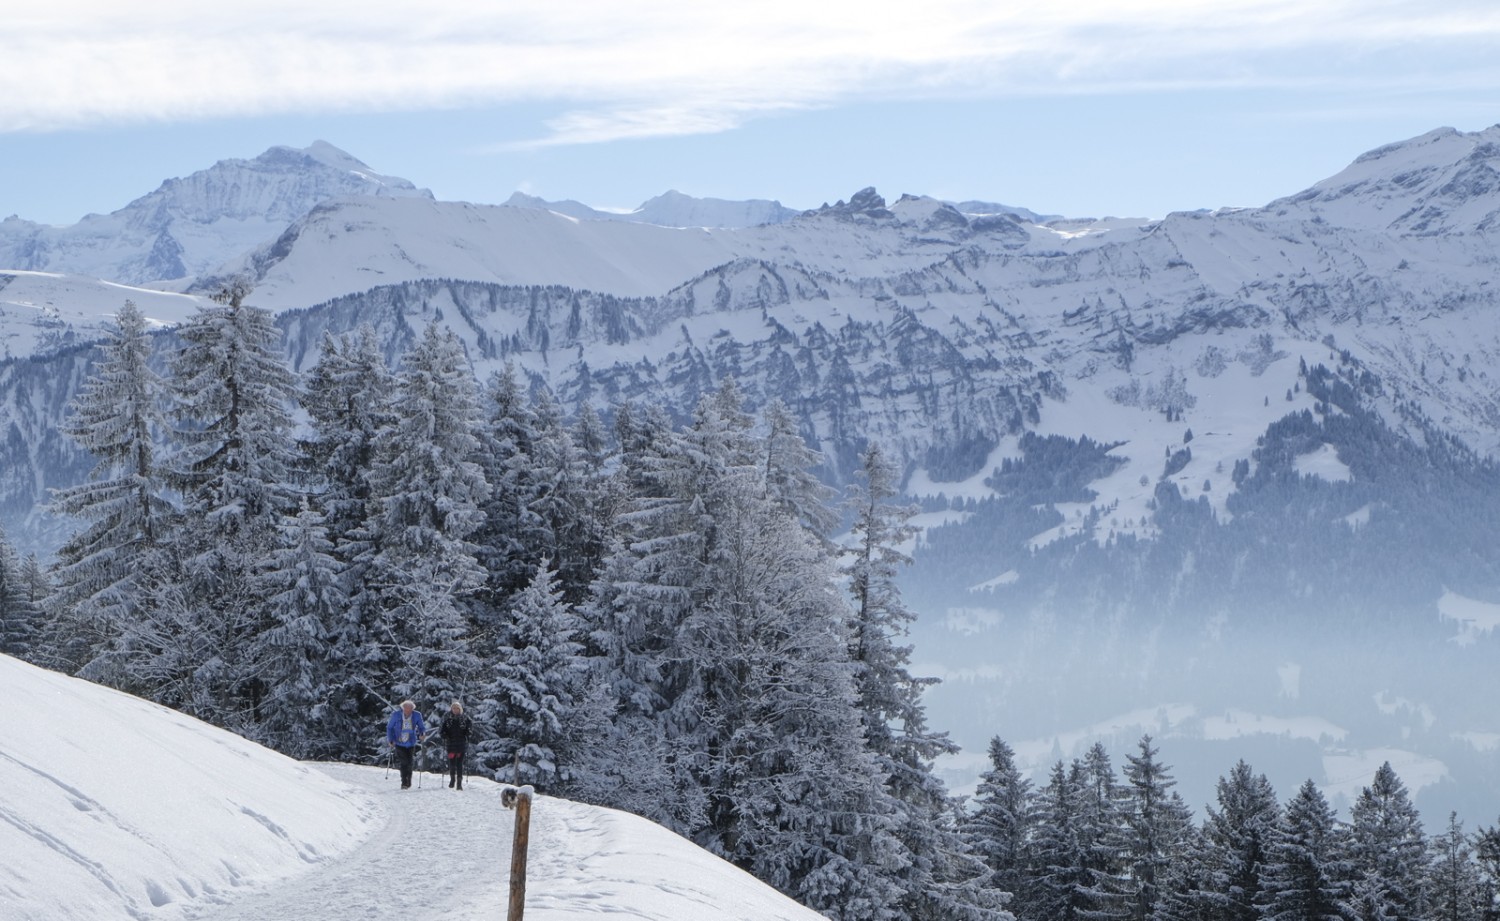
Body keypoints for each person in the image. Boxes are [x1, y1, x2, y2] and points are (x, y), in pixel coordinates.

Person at [386, 700, 427, 789]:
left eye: (410, 709)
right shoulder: (396, 715)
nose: (407, 710)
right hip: (399, 742)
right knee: (404, 762)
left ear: (412, 709)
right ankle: (404, 781)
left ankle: (408, 780)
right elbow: (389, 728)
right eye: (406, 708)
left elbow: (421, 727)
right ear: (402, 708)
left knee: (410, 762)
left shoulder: (417, 715)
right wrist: (390, 739)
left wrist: (422, 733)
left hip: (411, 742)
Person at [439, 700, 474, 790]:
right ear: (451, 709)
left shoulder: (465, 718)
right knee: (452, 763)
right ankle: (452, 779)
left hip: (461, 743)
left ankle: (459, 782)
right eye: (453, 708)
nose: (455, 710)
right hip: (450, 743)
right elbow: (442, 729)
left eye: (457, 708)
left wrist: (468, 733)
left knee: (459, 763)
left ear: (460, 709)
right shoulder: (447, 717)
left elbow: (469, 727)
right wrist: (443, 735)